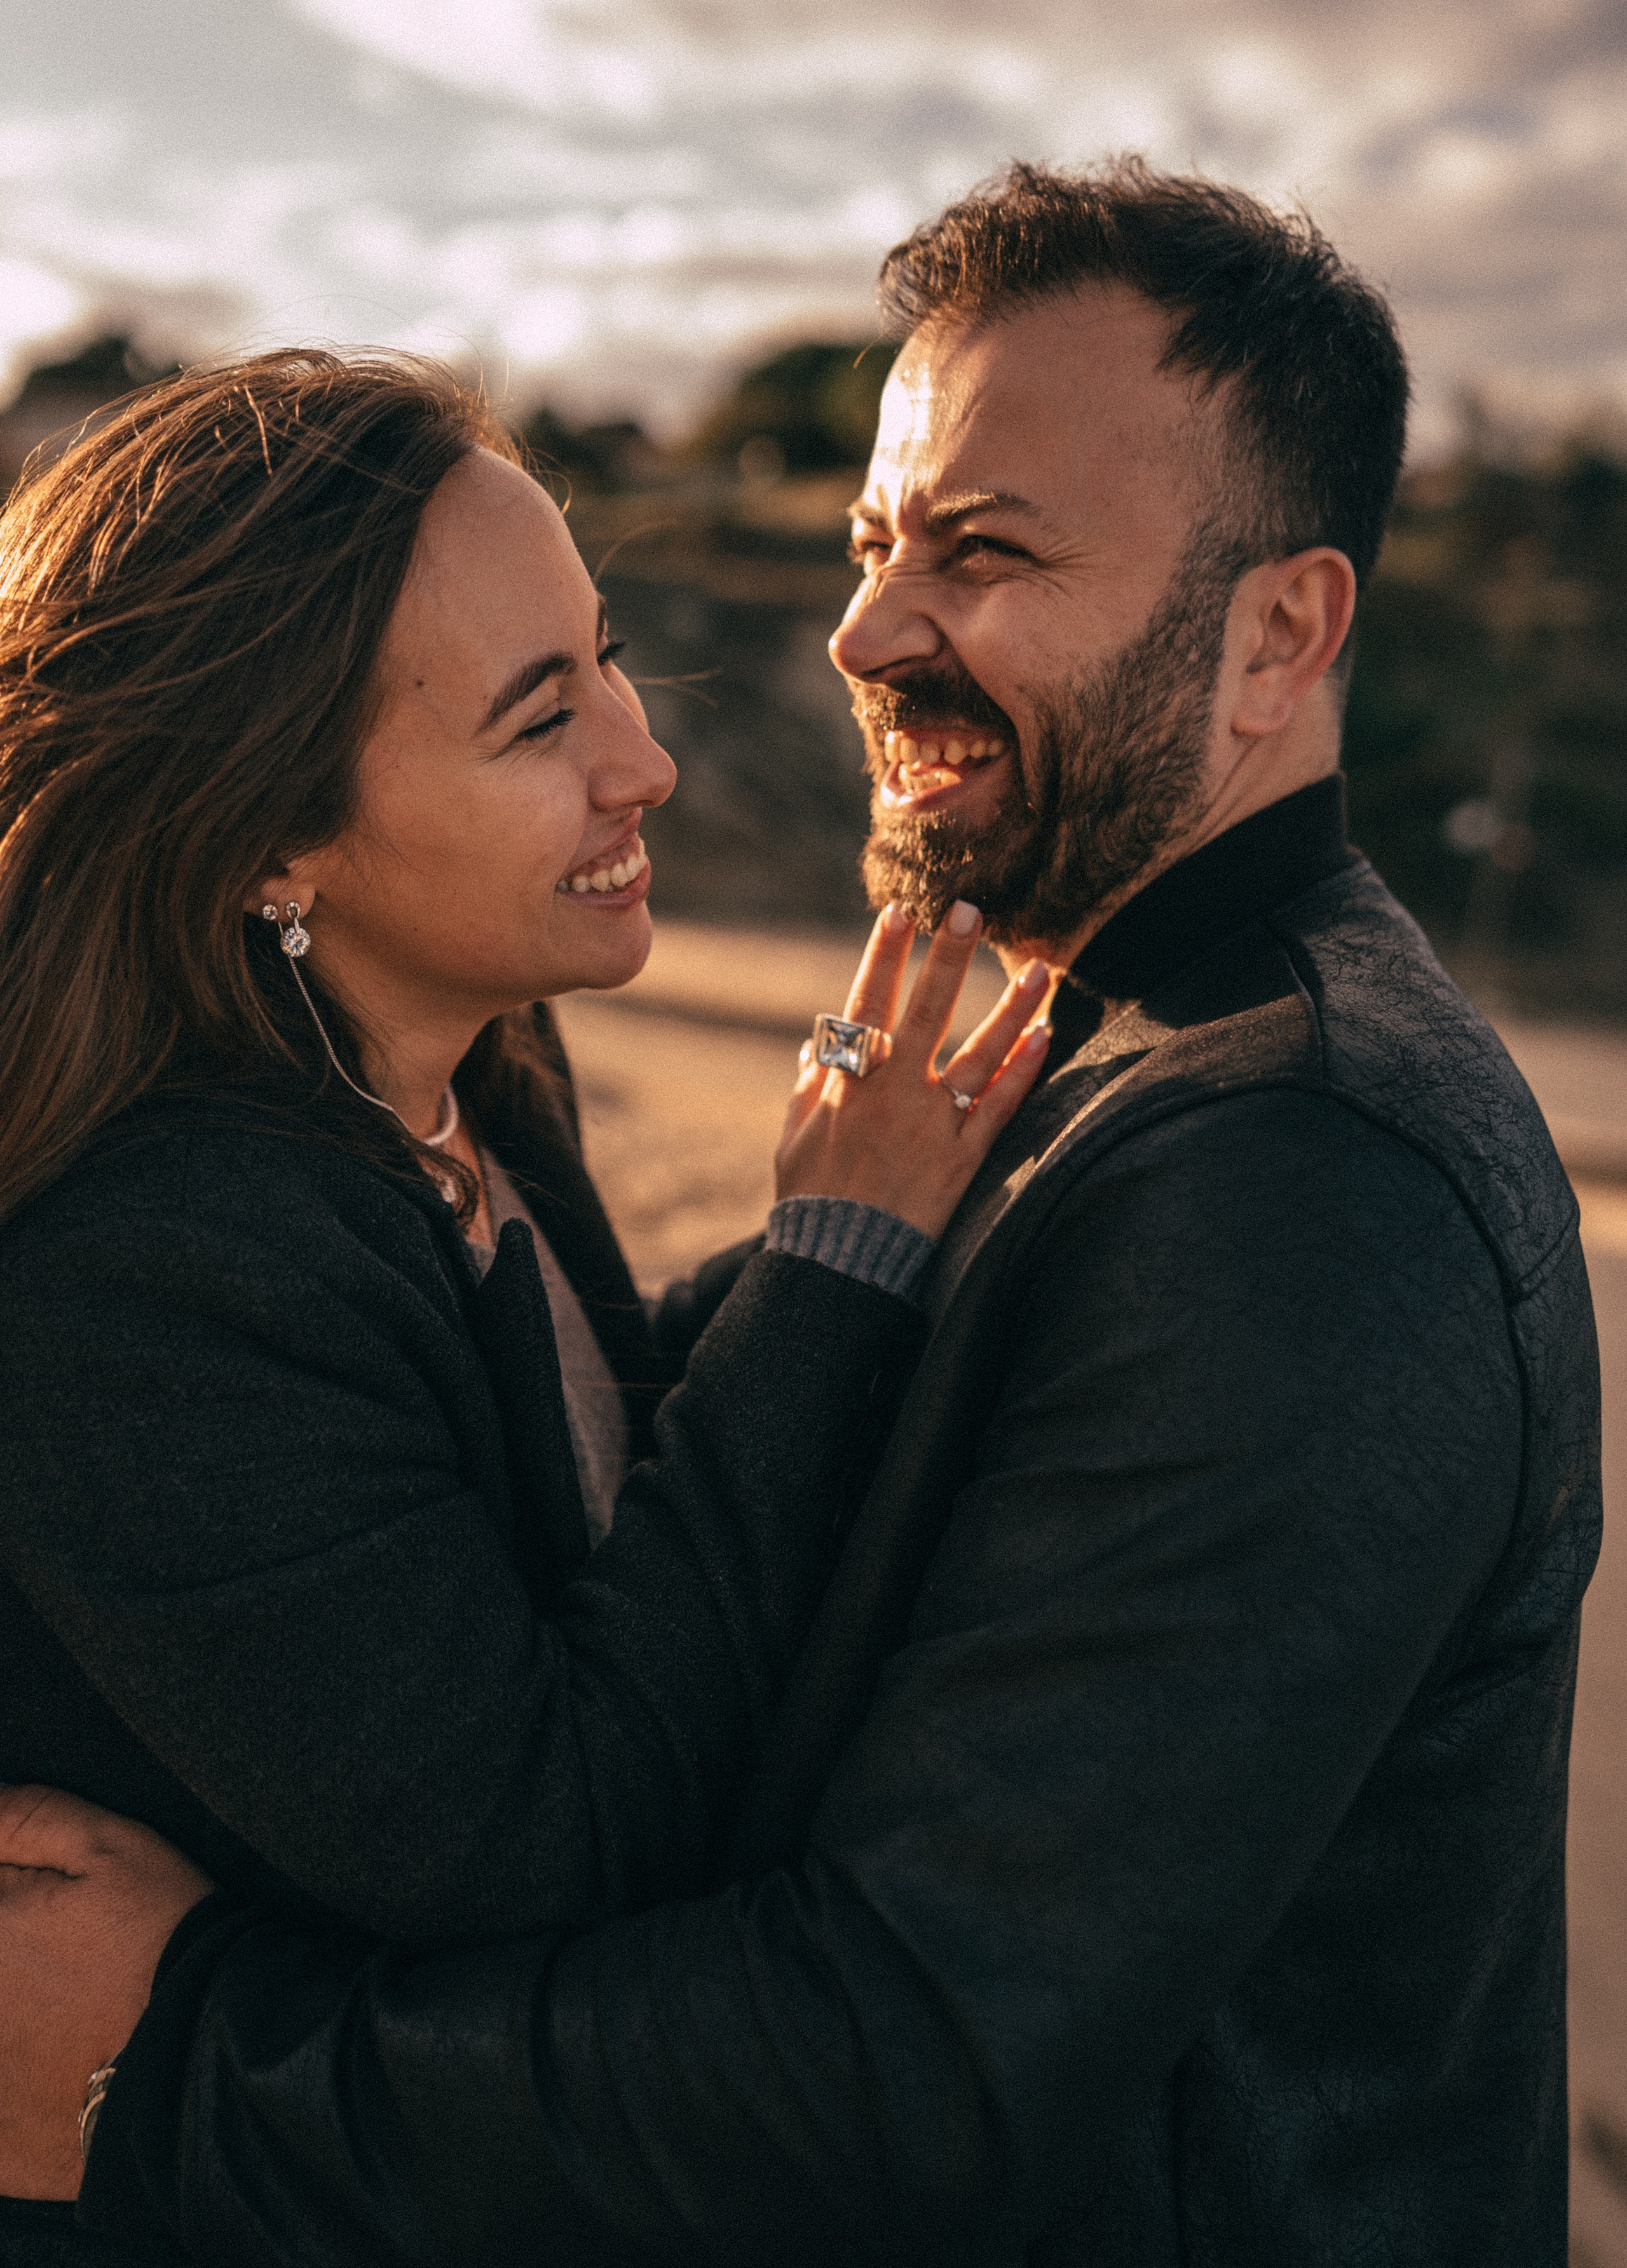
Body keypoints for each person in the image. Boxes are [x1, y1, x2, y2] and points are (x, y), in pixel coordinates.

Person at [0, 162, 1602, 2267]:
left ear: (1282, 633)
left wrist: (188, 2067)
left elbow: (902, 2060)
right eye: (872, 546)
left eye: (985, 553)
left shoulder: (1302, 1179)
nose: (863, 631)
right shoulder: (1094, 1066)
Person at [0, 348, 1049, 2263]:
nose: (643, 757)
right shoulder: (143, 1275)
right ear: (264, 842)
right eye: (535, 717)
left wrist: (900, 1220)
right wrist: (833, 1269)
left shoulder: (468, 1076)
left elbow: (599, 1456)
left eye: (611, 656)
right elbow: (549, 1828)